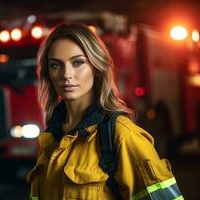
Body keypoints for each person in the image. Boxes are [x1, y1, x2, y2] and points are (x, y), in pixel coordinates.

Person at [27, 23, 183, 200]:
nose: (66, 74)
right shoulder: (50, 139)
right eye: (56, 65)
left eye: (78, 62)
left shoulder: (122, 136)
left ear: (96, 67)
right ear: (48, 72)